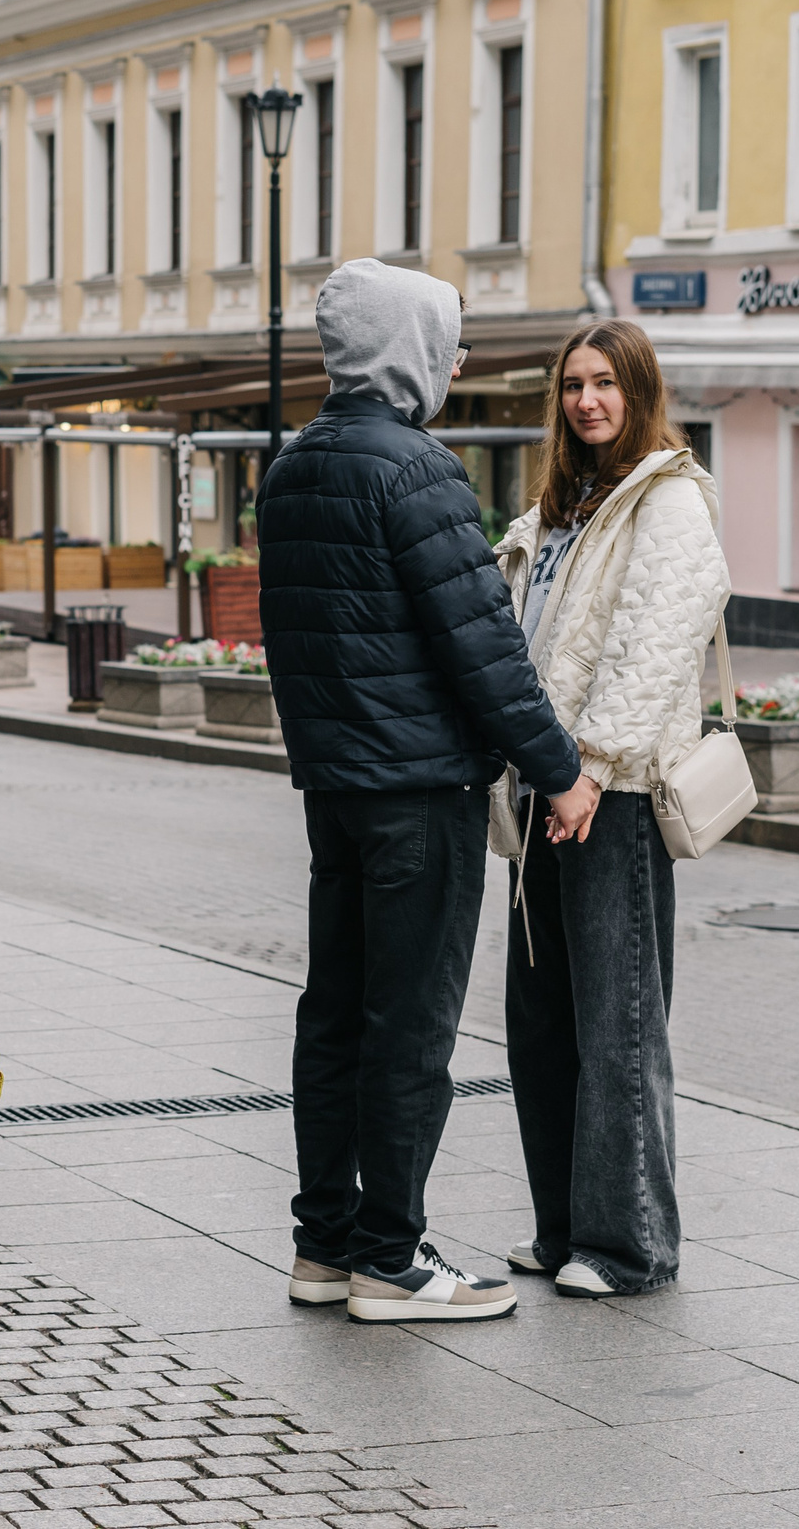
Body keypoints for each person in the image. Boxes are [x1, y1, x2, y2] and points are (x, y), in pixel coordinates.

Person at [257, 258, 593, 1325]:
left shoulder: (292, 468)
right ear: (406, 350)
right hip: (419, 794)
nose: (453, 363)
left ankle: (323, 1243)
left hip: (337, 792)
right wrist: (560, 770)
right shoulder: (418, 471)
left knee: (334, 1020)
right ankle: (390, 1260)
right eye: (443, 341)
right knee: (410, 1029)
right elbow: (483, 650)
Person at [492, 317, 727, 1300]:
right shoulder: (563, 503)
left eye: (605, 383)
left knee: (617, 1025)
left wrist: (588, 766)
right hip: (550, 787)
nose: (587, 399)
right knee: (540, 1020)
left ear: (638, 391)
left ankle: (626, 1245)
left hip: (611, 795)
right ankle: (562, 1230)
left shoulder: (666, 499)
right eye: (573, 385)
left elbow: (651, 643)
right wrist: (541, 769)